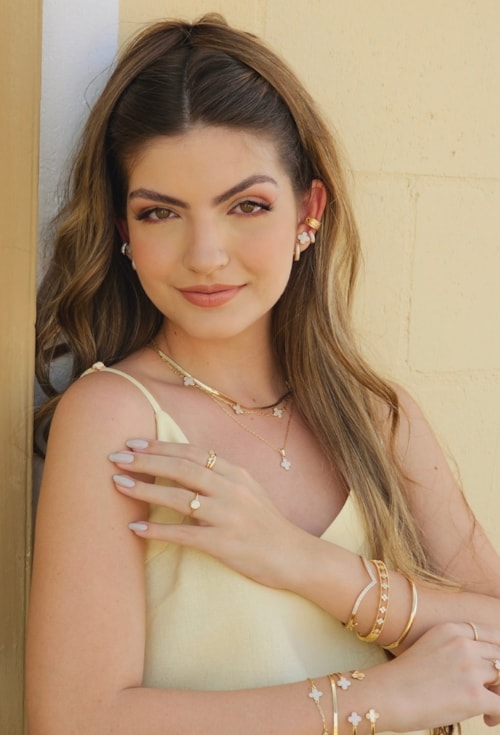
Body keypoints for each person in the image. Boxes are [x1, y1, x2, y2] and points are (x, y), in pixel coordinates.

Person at [27, 14, 500, 735]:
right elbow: (73, 720)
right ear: (124, 230)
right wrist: (375, 698)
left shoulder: (376, 416)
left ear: (309, 209)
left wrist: (303, 562)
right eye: (160, 213)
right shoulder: (115, 417)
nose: (206, 254)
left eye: (247, 205)